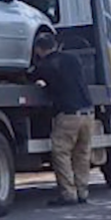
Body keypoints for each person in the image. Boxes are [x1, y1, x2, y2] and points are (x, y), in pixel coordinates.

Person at [31, 32, 94, 206]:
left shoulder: (45, 65)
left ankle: (68, 194)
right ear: (55, 45)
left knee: (61, 152)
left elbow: (33, 78)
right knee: (82, 154)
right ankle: (82, 192)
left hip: (68, 115)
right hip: (88, 113)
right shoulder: (73, 59)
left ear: (38, 50)